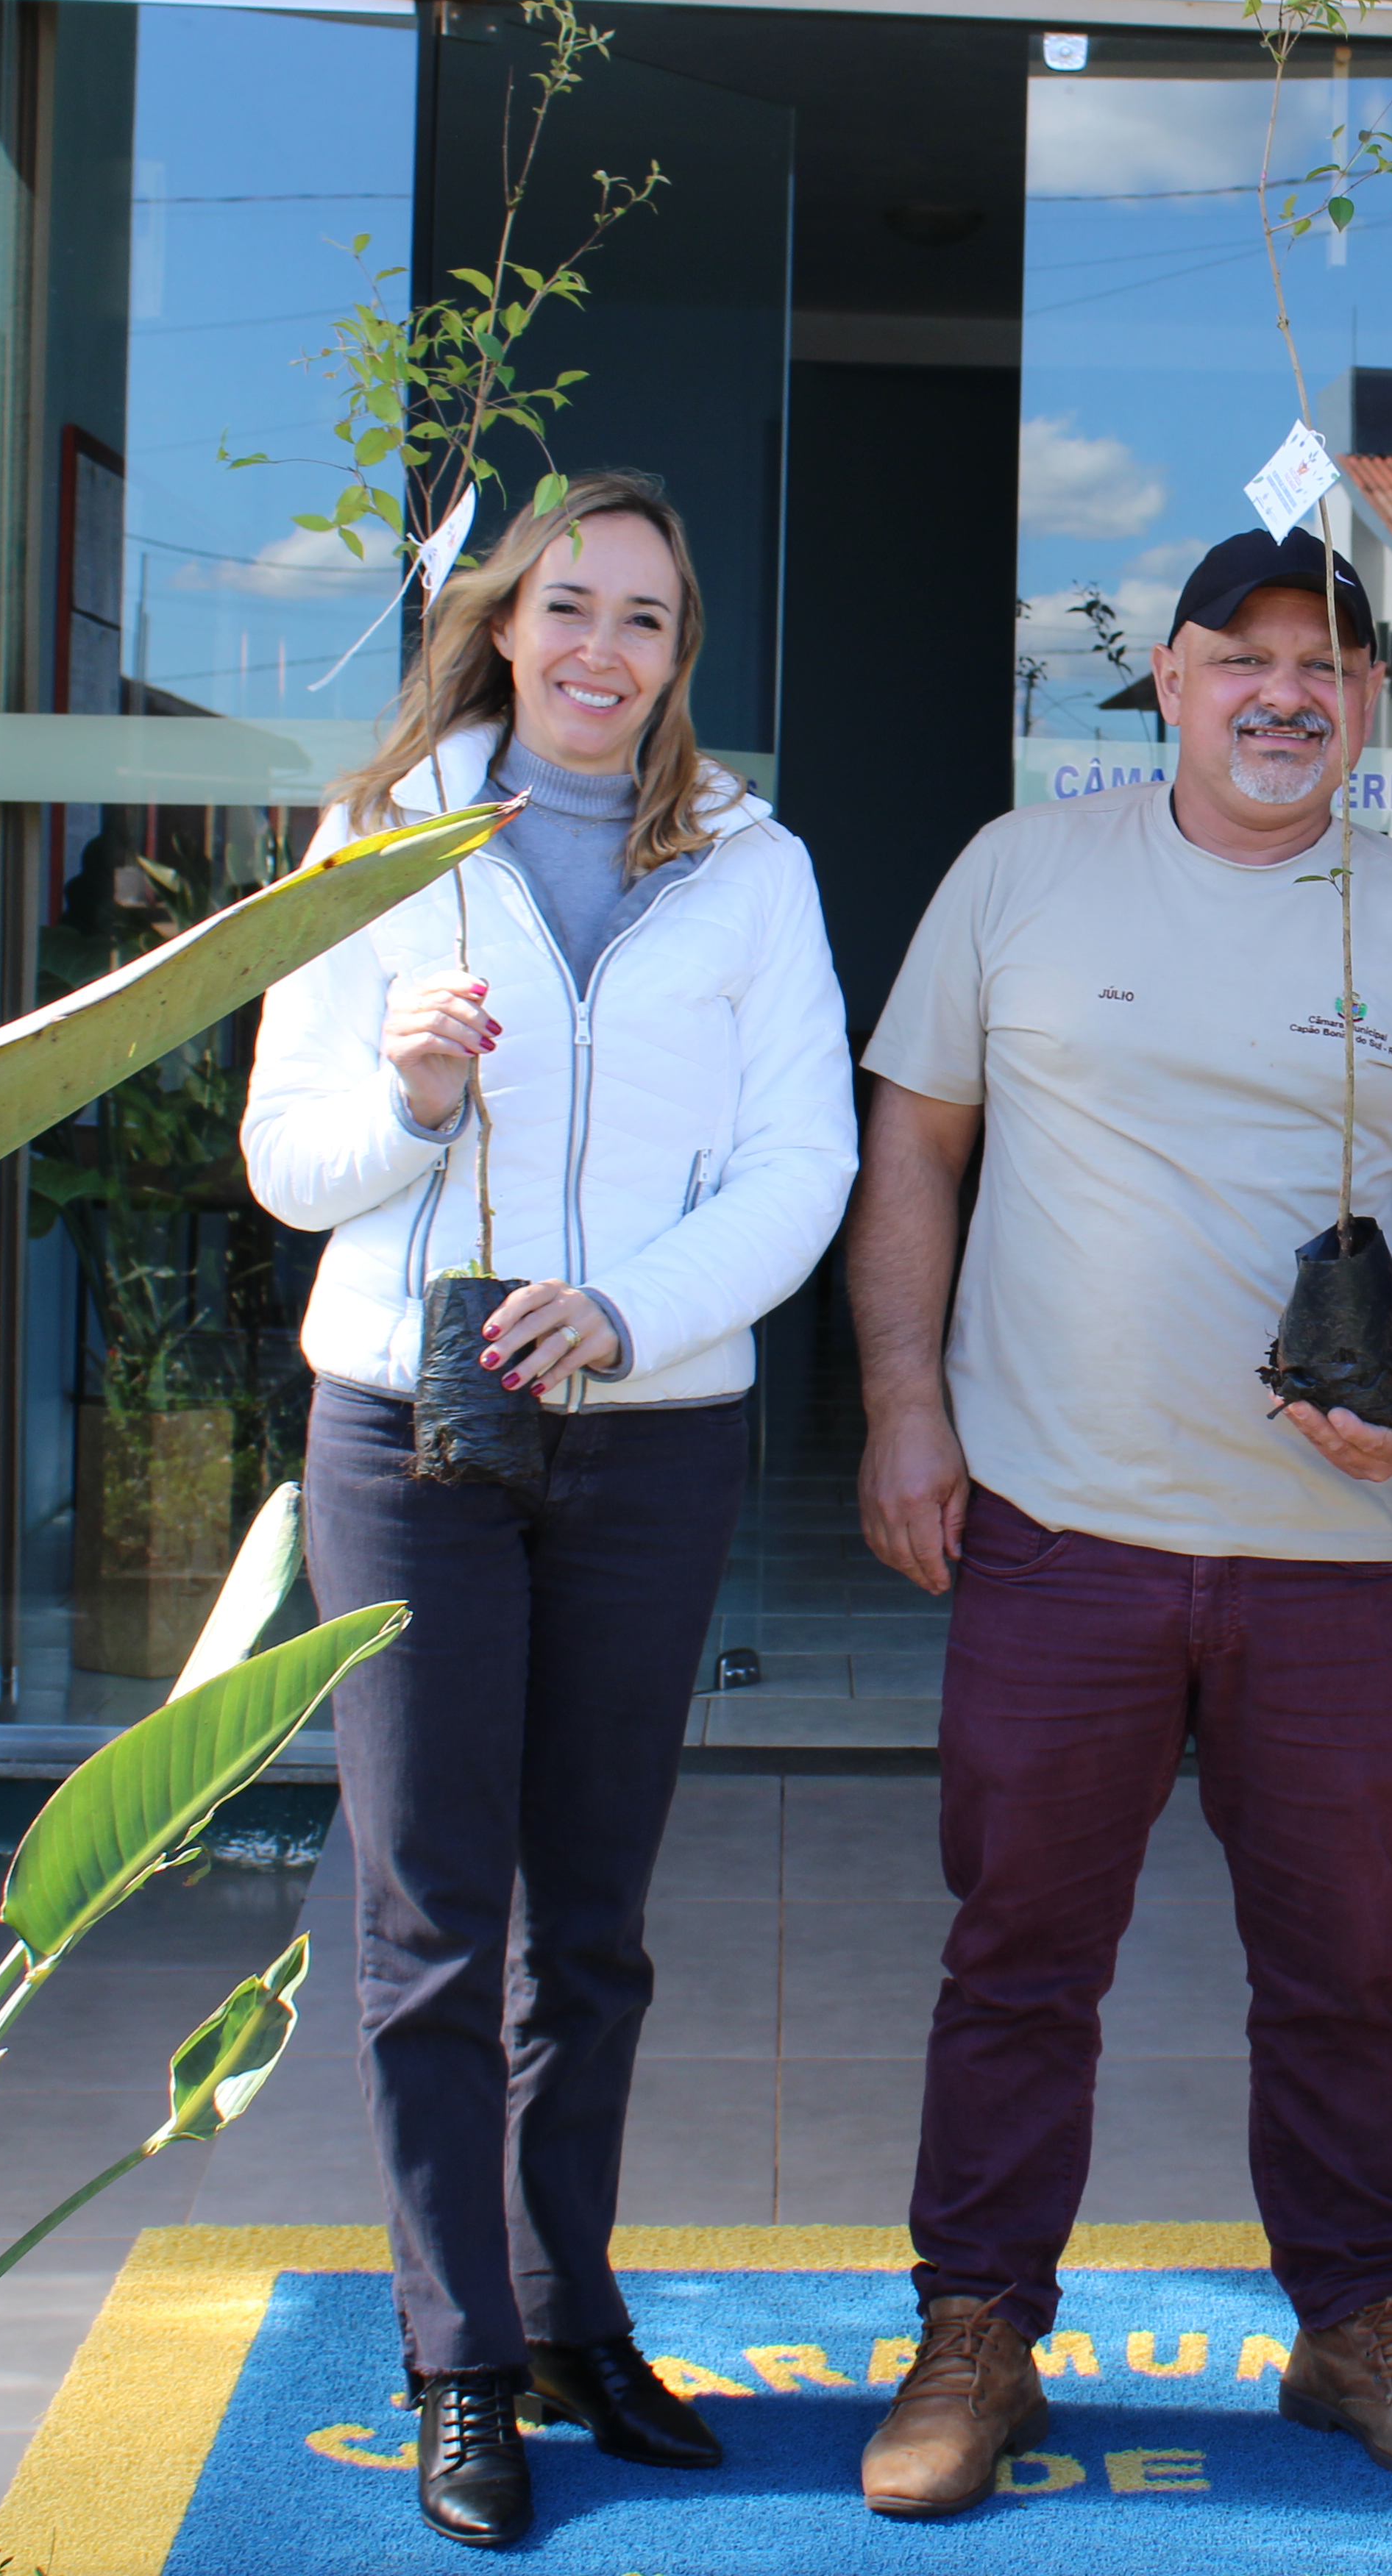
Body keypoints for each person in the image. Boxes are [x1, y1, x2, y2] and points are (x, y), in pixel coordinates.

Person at [841, 525, 1392, 2520]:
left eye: (1327, 664)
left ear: (1369, 706)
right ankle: (976, 2328)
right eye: (1239, 658)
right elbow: (913, 1137)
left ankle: (1356, 2322)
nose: (1283, 692)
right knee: (1019, 1957)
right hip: (1058, 1532)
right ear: (1161, 682)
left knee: (1346, 1966)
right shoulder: (1020, 876)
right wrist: (907, 1406)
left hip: (1333, 1556)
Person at [243, 472, 856, 2549]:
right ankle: (458, 2366)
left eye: (649, 623)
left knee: (590, 1926)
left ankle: (570, 2305)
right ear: (504, 622)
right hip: (408, 1434)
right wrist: (411, 1105)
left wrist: (633, 1311)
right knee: (432, 1918)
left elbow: (804, 1167)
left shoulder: (755, 870)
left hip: (649, 1430)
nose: (603, 651)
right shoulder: (381, 843)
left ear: (686, 659)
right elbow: (286, 1163)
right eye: (569, 608)